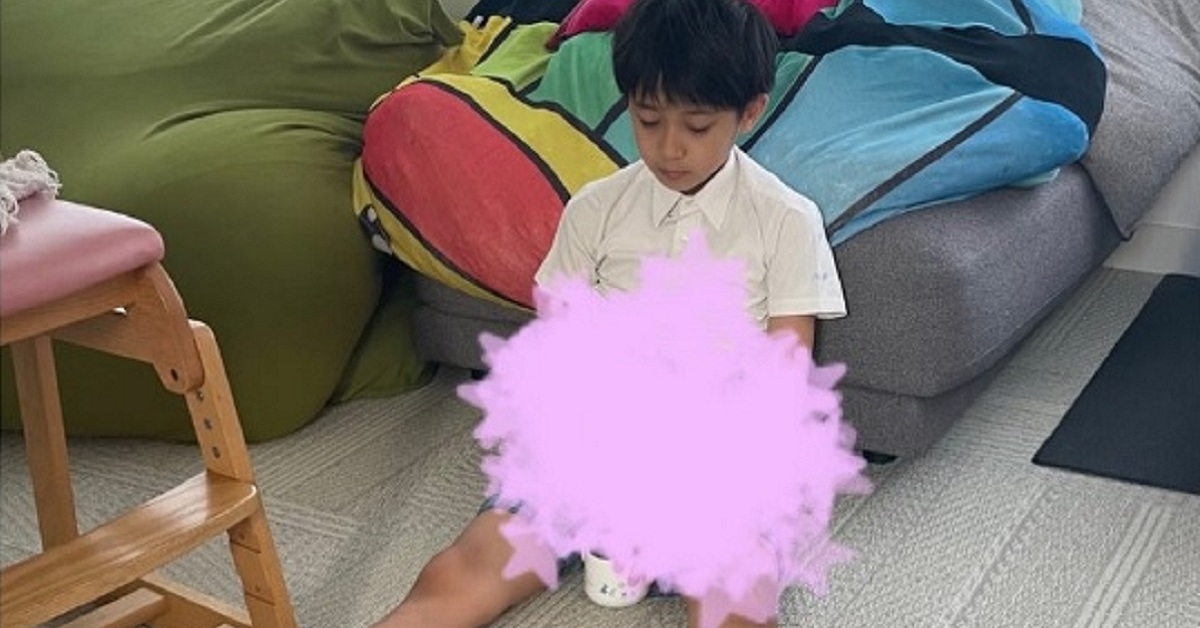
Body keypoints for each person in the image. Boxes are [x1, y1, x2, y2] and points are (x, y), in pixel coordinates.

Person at [372, 0, 845, 625]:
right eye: (648, 120)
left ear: (750, 112)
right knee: (468, 569)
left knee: (736, 590)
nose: (670, 147)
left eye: (697, 126)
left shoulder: (785, 219)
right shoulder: (596, 210)